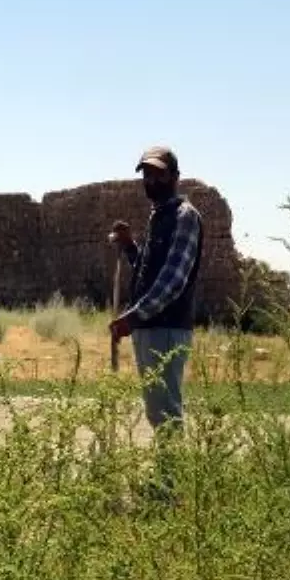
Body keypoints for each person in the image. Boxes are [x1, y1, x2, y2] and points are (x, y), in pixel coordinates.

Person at [108, 145, 204, 435]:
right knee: (157, 408)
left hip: (166, 328)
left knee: (165, 410)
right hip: (150, 327)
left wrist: (133, 317)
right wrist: (129, 247)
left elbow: (173, 280)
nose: (151, 181)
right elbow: (147, 272)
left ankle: (171, 478)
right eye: (146, 175)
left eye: (158, 175)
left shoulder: (184, 216)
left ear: (175, 176)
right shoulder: (159, 216)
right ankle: (167, 475)